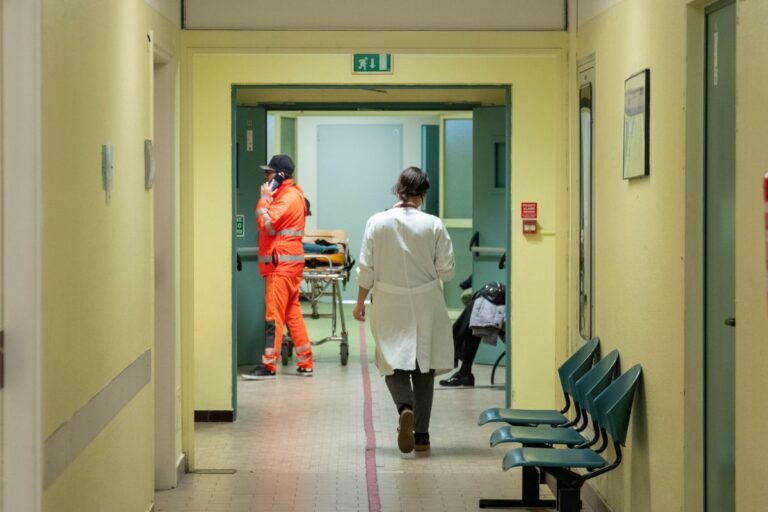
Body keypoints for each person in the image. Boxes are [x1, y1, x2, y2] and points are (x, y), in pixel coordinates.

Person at [352, 167, 455, 453]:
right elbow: (446, 271)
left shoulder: (377, 222)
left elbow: (366, 268)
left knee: (391, 359)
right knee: (424, 365)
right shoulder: (433, 224)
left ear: (398, 190)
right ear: (424, 193)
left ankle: (404, 407)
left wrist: (359, 303)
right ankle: (421, 437)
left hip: (389, 301)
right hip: (426, 302)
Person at [243, 155, 314, 379]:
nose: (265, 176)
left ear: (281, 175)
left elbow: (267, 225)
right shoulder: (289, 195)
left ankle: (268, 364)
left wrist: (263, 200)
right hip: (287, 265)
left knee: (273, 316)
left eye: (269, 172)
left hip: (281, 266)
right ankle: (305, 362)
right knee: (292, 314)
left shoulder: (287, 197)